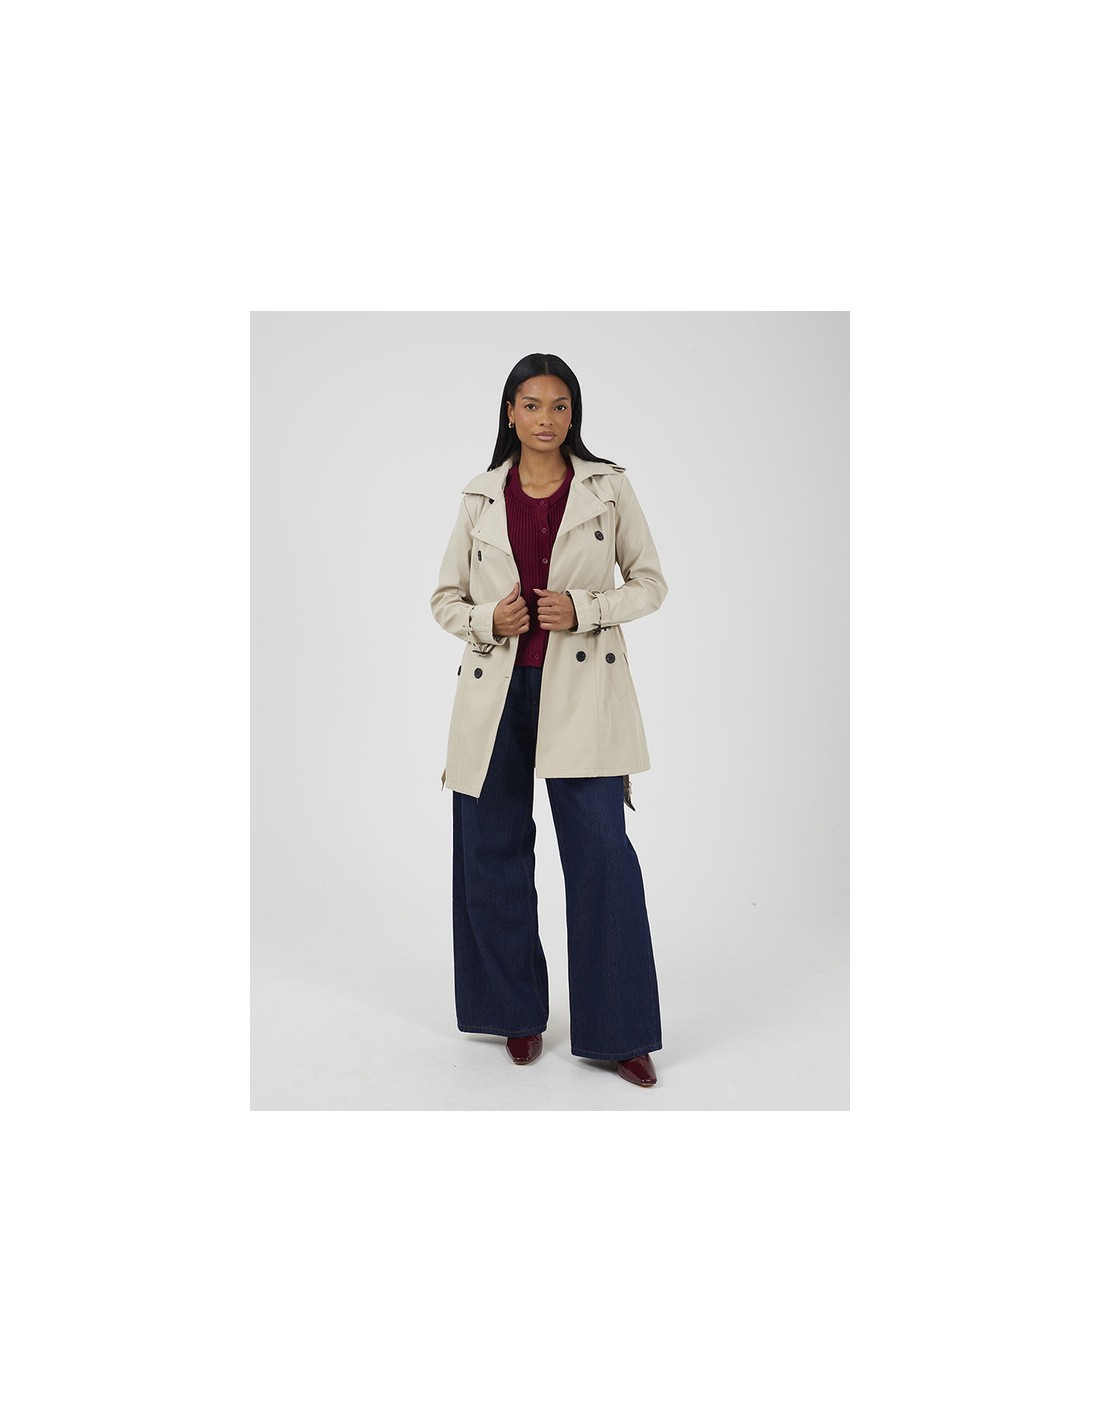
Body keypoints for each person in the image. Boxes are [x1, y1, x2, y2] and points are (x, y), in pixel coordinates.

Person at [430, 353, 668, 1088]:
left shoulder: (608, 487)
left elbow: (650, 584)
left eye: (559, 406)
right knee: (490, 850)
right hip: (494, 692)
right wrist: (487, 620)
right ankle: (514, 1014)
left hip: (583, 690)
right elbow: (444, 599)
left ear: (574, 414)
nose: (545, 418)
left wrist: (585, 608)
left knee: (602, 854)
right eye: (531, 405)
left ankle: (619, 1030)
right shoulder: (480, 496)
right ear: (510, 413)